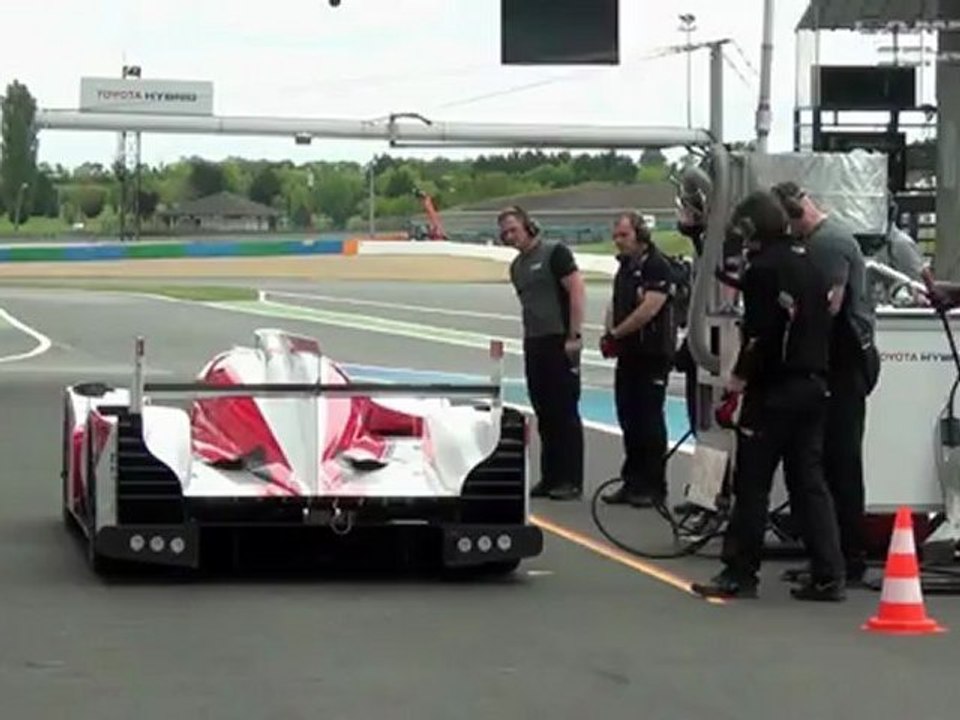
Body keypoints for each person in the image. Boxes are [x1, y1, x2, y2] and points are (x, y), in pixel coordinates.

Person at [691, 190, 846, 601]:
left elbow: (760, 335)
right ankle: (829, 572)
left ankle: (740, 571)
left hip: (775, 389)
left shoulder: (764, 269)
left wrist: (738, 382)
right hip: (815, 383)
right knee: (809, 481)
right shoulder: (810, 261)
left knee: (753, 482)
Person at [771, 182, 880, 587]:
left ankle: (847, 555)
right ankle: (832, 552)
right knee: (825, 461)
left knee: (837, 461)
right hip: (839, 361)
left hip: (843, 363)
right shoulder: (829, 239)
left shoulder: (828, 245)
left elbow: (829, 304)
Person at [499, 205, 586, 501]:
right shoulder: (517, 267)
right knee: (544, 412)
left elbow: (576, 290)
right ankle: (551, 476)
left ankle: (571, 479)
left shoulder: (555, 253)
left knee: (564, 412)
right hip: (534, 342)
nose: (511, 236)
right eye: (506, 232)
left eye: (514, 229)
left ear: (529, 226)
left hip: (560, 340)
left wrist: (573, 335)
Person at [599, 212, 677, 507]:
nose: (618, 241)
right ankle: (632, 480)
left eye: (624, 235)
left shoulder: (657, 265)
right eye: (616, 235)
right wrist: (609, 331)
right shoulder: (625, 267)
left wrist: (617, 333)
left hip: (652, 354)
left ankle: (654, 485)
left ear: (640, 235)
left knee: (649, 419)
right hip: (629, 354)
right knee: (628, 418)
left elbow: (650, 308)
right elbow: (615, 302)